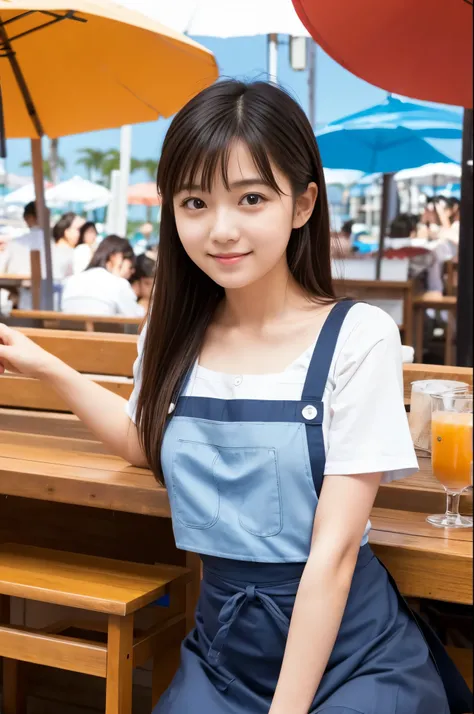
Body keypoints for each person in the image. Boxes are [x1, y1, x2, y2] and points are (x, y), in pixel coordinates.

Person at [0, 81, 469, 714]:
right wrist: (42, 365)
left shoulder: (358, 336)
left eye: (251, 198)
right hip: (223, 649)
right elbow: (146, 442)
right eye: (195, 202)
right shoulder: (174, 333)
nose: (221, 229)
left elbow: (331, 555)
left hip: (350, 652)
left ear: (303, 204)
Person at [61, 234, 145, 317]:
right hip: (101, 330)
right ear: (116, 257)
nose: (132, 271)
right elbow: (137, 318)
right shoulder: (119, 284)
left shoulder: (71, 281)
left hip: (69, 330)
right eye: (131, 266)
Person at [51, 212, 85, 283]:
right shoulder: (64, 252)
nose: (82, 233)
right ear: (66, 231)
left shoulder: (53, 249)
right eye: (79, 229)